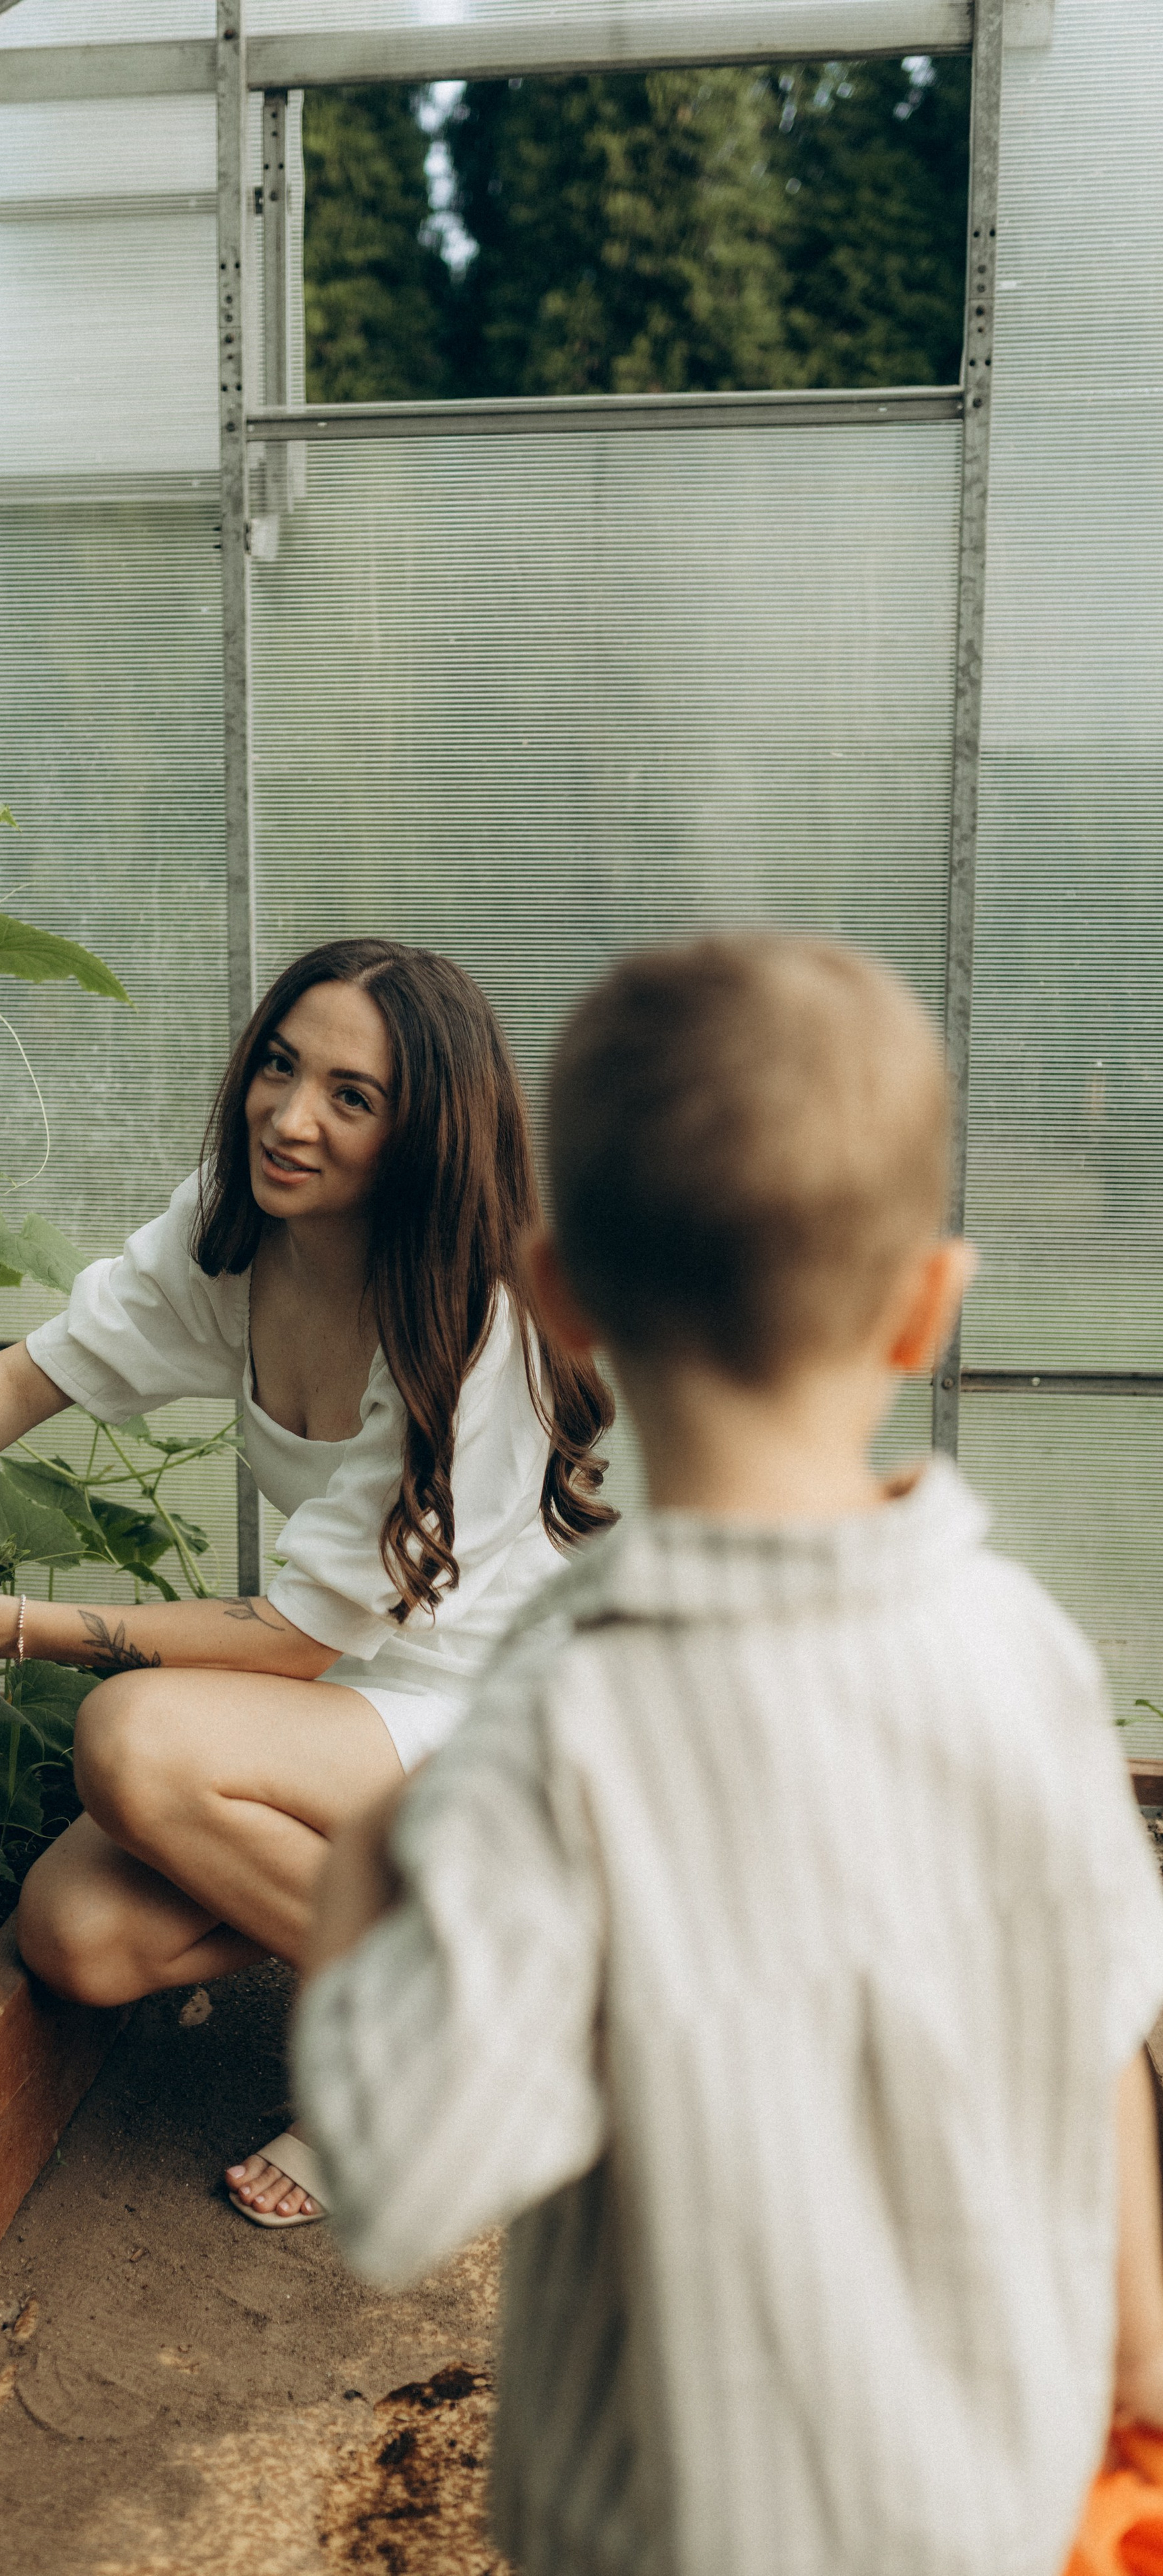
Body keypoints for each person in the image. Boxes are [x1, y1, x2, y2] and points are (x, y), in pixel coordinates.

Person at [293, 932, 1163, 2576]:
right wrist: (1137, 2361)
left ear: (552, 1295)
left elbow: (403, 2182)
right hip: (994, 2508)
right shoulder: (1025, 1651)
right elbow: (1103, 2020)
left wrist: (367, 1859)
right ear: (926, 1307)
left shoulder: (555, 1725)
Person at [0, 936, 614, 2225]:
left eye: (353, 1097)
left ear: (429, 1133)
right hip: (368, 1675)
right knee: (78, 1938)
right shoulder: (240, 1230)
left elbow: (293, 1639)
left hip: (513, 1698)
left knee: (135, 1736)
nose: (290, 1119)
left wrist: (0, 1628)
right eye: (281, 1068)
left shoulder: (482, 1324)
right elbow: (33, 1373)